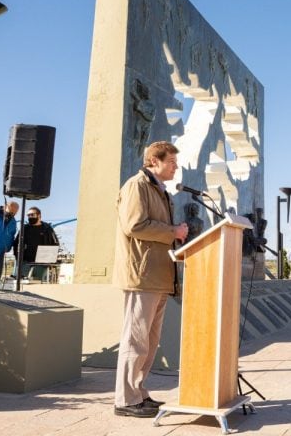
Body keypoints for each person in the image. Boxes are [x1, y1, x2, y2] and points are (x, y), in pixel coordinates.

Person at [113, 141, 188, 418]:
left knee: (149, 340)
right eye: (171, 162)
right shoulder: (137, 186)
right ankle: (125, 399)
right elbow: (134, 225)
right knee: (135, 339)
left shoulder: (159, 190)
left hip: (158, 275)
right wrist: (173, 231)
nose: (175, 167)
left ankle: (139, 392)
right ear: (154, 161)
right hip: (141, 274)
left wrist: (176, 234)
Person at [12, 206, 59, 281]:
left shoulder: (47, 228)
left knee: (39, 284)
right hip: (25, 263)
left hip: (42, 264)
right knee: (23, 284)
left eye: (32, 214)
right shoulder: (25, 228)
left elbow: (55, 243)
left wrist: (51, 259)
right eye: (28, 215)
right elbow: (16, 244)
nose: (30, 217)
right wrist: (18, 258)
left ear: (39, 215)